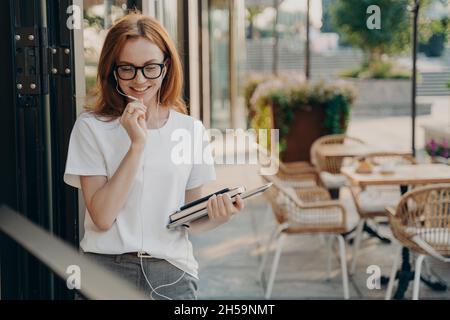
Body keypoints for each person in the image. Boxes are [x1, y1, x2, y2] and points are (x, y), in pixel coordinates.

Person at [63, 12, 244, 300]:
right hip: (106, 271)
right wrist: (136, 145)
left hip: (171, 274)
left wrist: (220, 216)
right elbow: (103, 217)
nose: (139, 80)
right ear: (112, 70)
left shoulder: (189, 129)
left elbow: (188, 217)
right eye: (127, 69)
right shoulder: (91, 127)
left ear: (166, 67)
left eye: (150, 68)